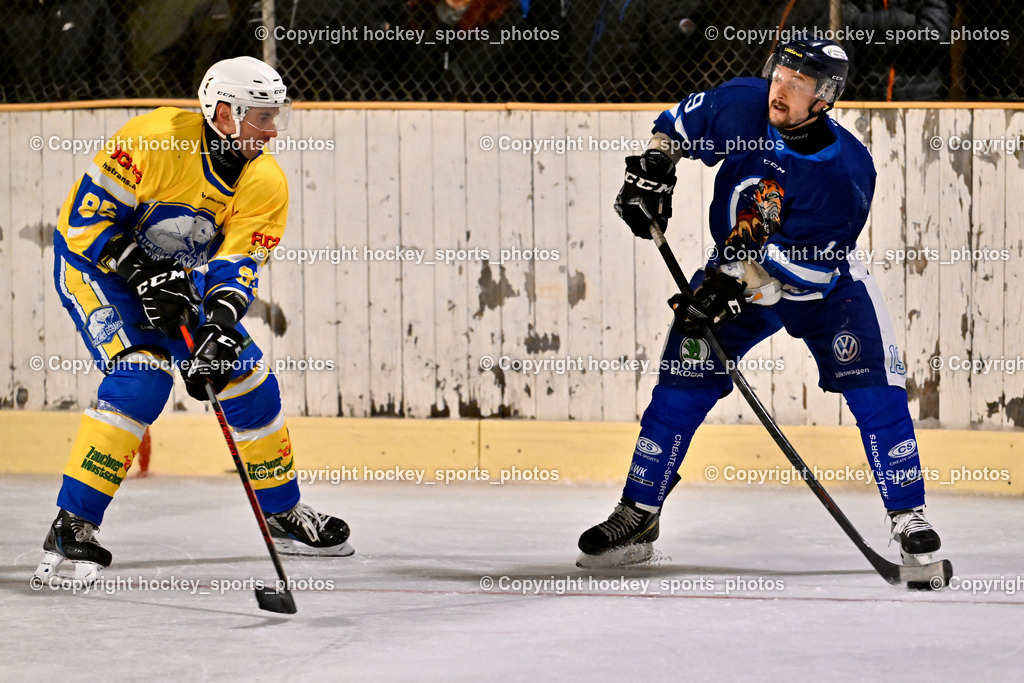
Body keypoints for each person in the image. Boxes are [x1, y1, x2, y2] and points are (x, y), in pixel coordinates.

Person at [577, 37, 941, 569]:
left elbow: (810, 270)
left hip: (822, 288)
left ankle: (908, 514)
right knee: (682, 380)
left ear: (825, 98)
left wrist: (730, 288)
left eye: (799, 84)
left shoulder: (845, 172)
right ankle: (639, 511)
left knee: (875, 390)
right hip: (734, 268)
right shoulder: (744, 104)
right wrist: (655, 167)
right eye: (780, 75)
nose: (781, 89)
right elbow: (675, 125)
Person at [35, 56, 352, 585]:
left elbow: (237, 266)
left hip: (179, 278)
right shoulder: (154, 137)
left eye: (277, 116)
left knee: (248, 380)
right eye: (262, 117)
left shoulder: (265, 180)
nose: (273, 130)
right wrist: (142, 271)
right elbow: (82, 224)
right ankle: (72, 525)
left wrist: (217, 325)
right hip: (99, 270)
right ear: (224, 114)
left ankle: (281, 512)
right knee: (142, 382)